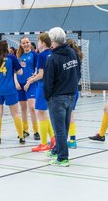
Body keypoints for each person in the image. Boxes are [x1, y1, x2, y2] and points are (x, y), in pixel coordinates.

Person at [44, 27, 81, 167]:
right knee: (64, 128)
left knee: (59, 130)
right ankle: (58, 150)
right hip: (71, 95)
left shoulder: (52, 58)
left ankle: (62, 158)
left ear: (53, 41)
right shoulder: (72, 52)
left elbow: (48, 82)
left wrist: (48, 96)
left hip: (57, 98)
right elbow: (78, 72)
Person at [0, 41, 25, 144]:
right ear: (7, 47)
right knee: (15, 113)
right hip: (10, 89)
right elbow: (20, 72)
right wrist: (15, 70)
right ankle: (21, 137)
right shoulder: (12, 58)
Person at [26, 33, 55, 152]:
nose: (37, 43)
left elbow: (41, 74)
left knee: (41, 114)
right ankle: (53, 138)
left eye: (38, 41)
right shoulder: (53, 53)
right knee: (44, 113)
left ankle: (43, 143)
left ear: (42, 42)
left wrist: (31, 80)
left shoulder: (41, 55)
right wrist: (35, 75)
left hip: (42, 86)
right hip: (51, 86)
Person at [15, 36, 39, 140]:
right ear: (21, 44)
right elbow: (14, 71)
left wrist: (30, 81)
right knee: (23, 108)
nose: (25, 44)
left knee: (32, 107)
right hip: (20, 85)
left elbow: (38, 70)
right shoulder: (18, 55)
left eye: (27, 42)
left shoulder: (35, 55)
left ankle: (36, 131)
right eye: (23, 43)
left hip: (30, 84)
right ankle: (25, 130)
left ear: (30, 43)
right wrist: (16, 82)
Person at [66, 39, 83, 149]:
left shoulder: (68, 59)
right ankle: (72, 139)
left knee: (65, 116)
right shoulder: (77, 58)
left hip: (68, 90)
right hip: (75, 89)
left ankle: (66, 140)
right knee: (70, 114)